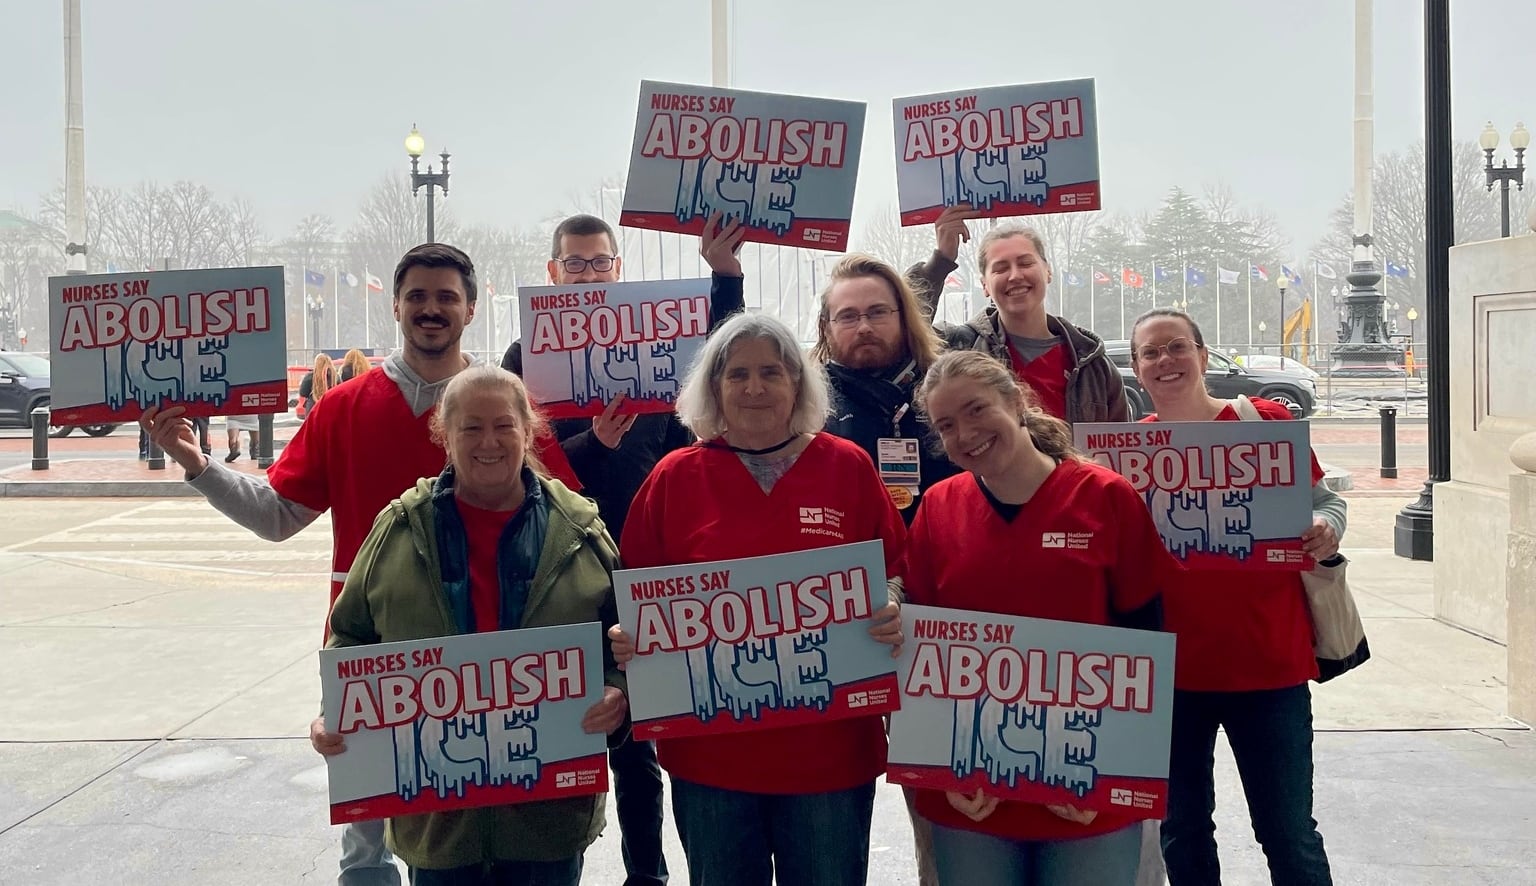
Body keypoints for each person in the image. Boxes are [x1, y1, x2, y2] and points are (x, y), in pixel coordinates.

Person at [141, 242, 578, 886]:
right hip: (371, 648)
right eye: (418, 297)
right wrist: (196, 464)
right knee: (366, 845)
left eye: (446, 298)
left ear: (471, 310)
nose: (432, 310)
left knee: (478, 831)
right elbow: (276, 516)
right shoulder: (343, 408)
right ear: (397, 308)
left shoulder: (498, 410)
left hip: (487, 650)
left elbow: (566, 522)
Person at [608, 311, 906, 886]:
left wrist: (891, 603)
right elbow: (634, 592)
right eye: (737, 374)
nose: (754, 387)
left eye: (772, 371)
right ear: (713, 387)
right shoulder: (675, 478)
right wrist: (631, 640)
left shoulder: (848, 466)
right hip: (713, 757)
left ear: (798, 382)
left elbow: (898, 567)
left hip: (830, 753)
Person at [309, 365, 629, 885]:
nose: (489, 442)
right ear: (444, 434)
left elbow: (624, 639)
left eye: (504, 425)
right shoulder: (397, 529)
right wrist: (334, 713)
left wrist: (619, 694)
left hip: (547, 821)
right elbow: (350, 637)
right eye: (471, 427)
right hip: (437, 824)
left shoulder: (580, 530)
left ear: (529, 431)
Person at [500, 211, 747, 886]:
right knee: (566, 730)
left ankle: (649, 875)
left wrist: (726, 276)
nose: (588, 274)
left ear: (619, 269)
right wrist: (595, 445)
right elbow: (517, 465)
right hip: (557, 569)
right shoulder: (527, 358)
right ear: (552, 273)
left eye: (600, 263)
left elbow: (720, 359)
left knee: (640, 746)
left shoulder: (657, 346)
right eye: (574, 264)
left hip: (642, 567)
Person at [903, 349, 1171, 886]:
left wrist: (1109, 774)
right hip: (973, 793)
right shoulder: (937, 508)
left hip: (1086, 787)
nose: (966, 433)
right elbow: (921, 655)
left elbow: (1149, 643)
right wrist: (944, 769)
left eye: (977, 410)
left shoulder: (1105, 498)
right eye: (947, 425)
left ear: (1016, 402)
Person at [1129, 307, 1345, 886]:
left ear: (1202, 356)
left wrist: (1326, 529)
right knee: (1183, 831)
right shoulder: (1129, 455)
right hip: (1170, 673)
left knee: (1288, 833)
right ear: (1138, 370)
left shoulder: (1263, 420)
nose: (1164, 361)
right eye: (1150, 353)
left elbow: (1327, 504)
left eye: (1176, 347)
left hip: (1268, 664)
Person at [806, 253, 955, 886]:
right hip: (847, 623)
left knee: (951, 799)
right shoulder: (805, 405)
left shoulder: (949, 390)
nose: (863, 326)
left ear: (904, 316)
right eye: (848, 316)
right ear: (827, 327)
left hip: (949, 614)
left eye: (877, 312)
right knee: (830, 793)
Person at [909, 208, 1128, 424]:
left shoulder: (1094, 366)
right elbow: (899, 332)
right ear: (985, 285)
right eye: (1000, 269)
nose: (1015, 276)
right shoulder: (957, 348)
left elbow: (1119, 453)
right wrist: (939, 264)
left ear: (1048, 271)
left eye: (1025, 263)